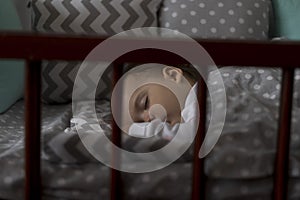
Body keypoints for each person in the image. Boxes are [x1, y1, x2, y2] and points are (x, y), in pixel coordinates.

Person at [111, 63, 199, 139]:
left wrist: (134, 130)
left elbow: (191, 136)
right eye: (141, 123)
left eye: (145, 103)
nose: (148, 121)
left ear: (173, 76)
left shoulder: (200, 98)